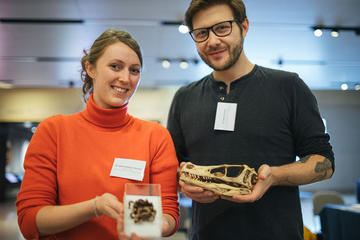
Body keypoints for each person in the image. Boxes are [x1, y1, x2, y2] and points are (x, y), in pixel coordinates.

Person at [167, 1, 334, 239]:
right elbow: (170, 166)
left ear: (244, 26)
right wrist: (184, 185)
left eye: (222, 28)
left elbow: (324, 162)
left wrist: (274, 176)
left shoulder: (288, 87)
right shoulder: (185, 97)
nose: (212, 41)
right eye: (201, 33)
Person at [16, 29, 179, 240]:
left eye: (134, 70)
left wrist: (156, 225)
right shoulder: (54, 131)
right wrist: (94, 207)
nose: (125, 78)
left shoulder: (155, 137)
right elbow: (29, 221)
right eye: (115, 66)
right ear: (90, 68)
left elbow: (168, 213)